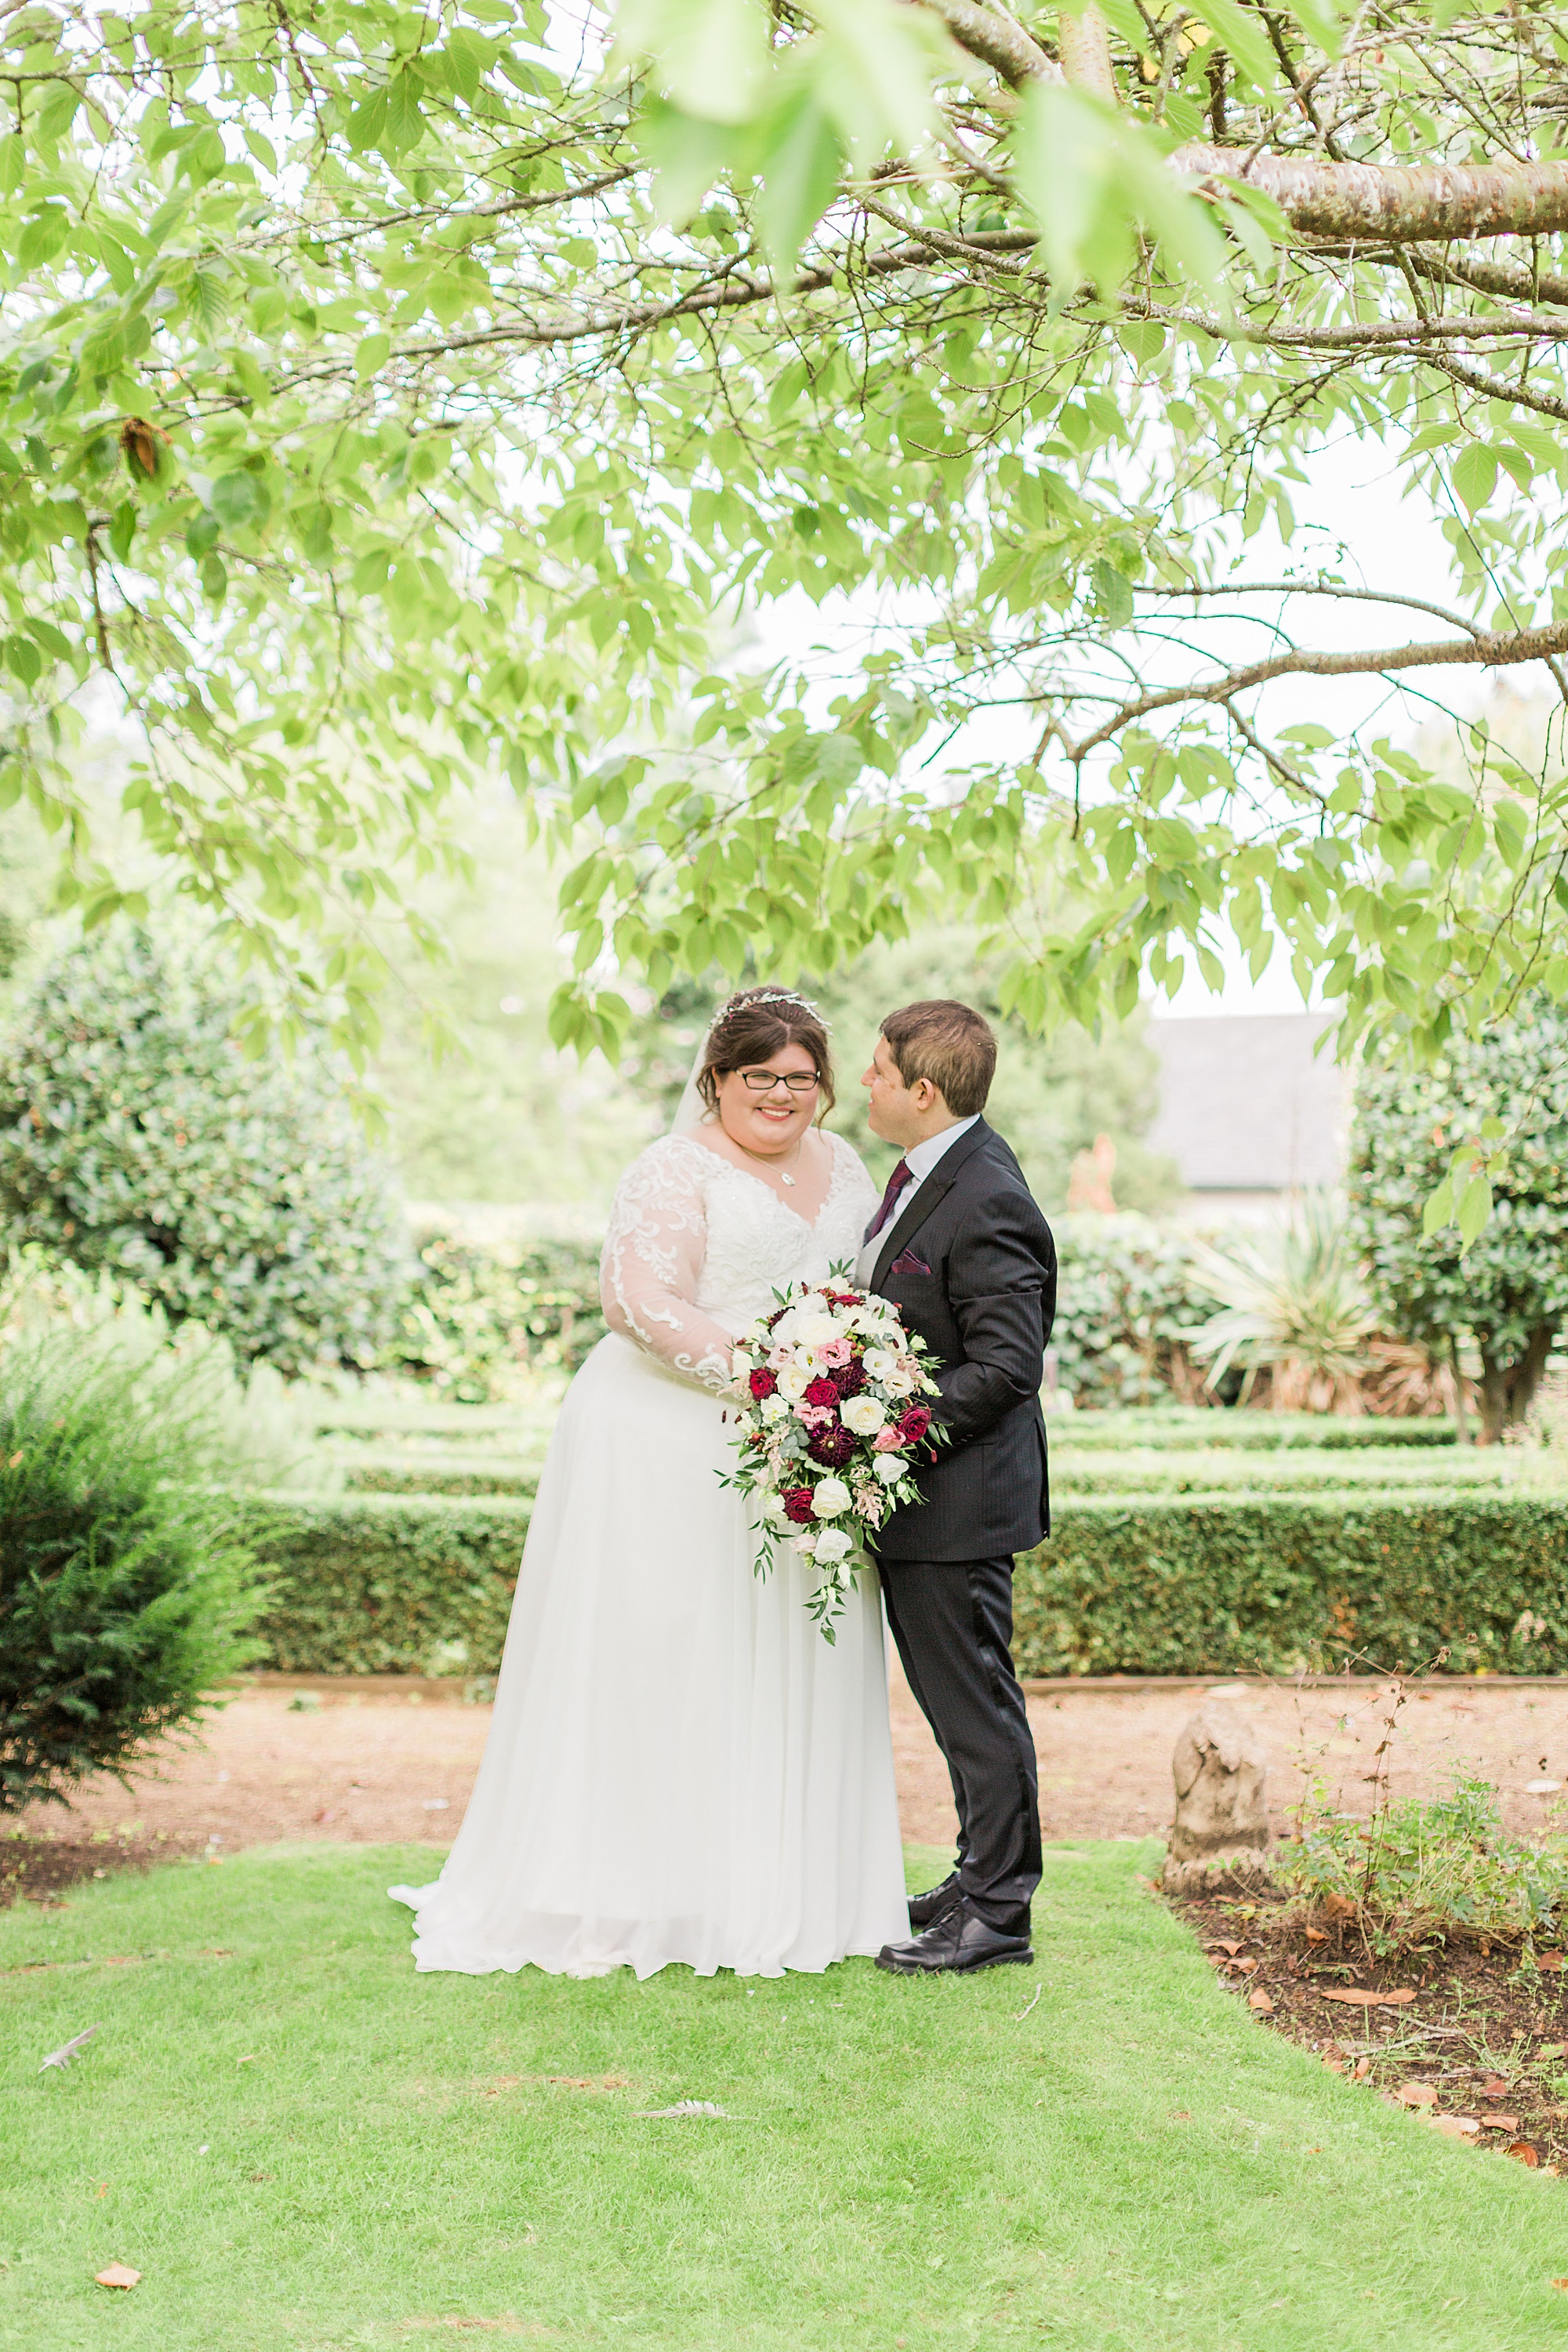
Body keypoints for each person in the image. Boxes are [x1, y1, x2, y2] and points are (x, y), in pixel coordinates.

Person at [390, 986, 907, 1979]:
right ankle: (648, 1889)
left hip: (801, 1449)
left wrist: (838, 1390)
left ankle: (788, 1882)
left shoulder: (845, 1166)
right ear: (715, 1080)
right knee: (675, 1651)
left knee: (792, 1642)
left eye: (801, 1080)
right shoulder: (672, 1169)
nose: (781, 1096)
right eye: (759, 1077)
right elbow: (636, 1299)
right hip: (665, 1442)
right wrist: (775, 1379)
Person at [856, 1000, 1056, 1976]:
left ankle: (996, 1915)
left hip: (958, 1503)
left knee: (975, 1706)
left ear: (921, 1091)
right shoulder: (927, 1175)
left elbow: (1006, 1367)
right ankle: (977, 1874)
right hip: (926, 1504)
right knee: (954, 1704)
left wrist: (886, 1436)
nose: (863, 1085)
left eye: (876, 1072)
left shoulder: (984, 1193)